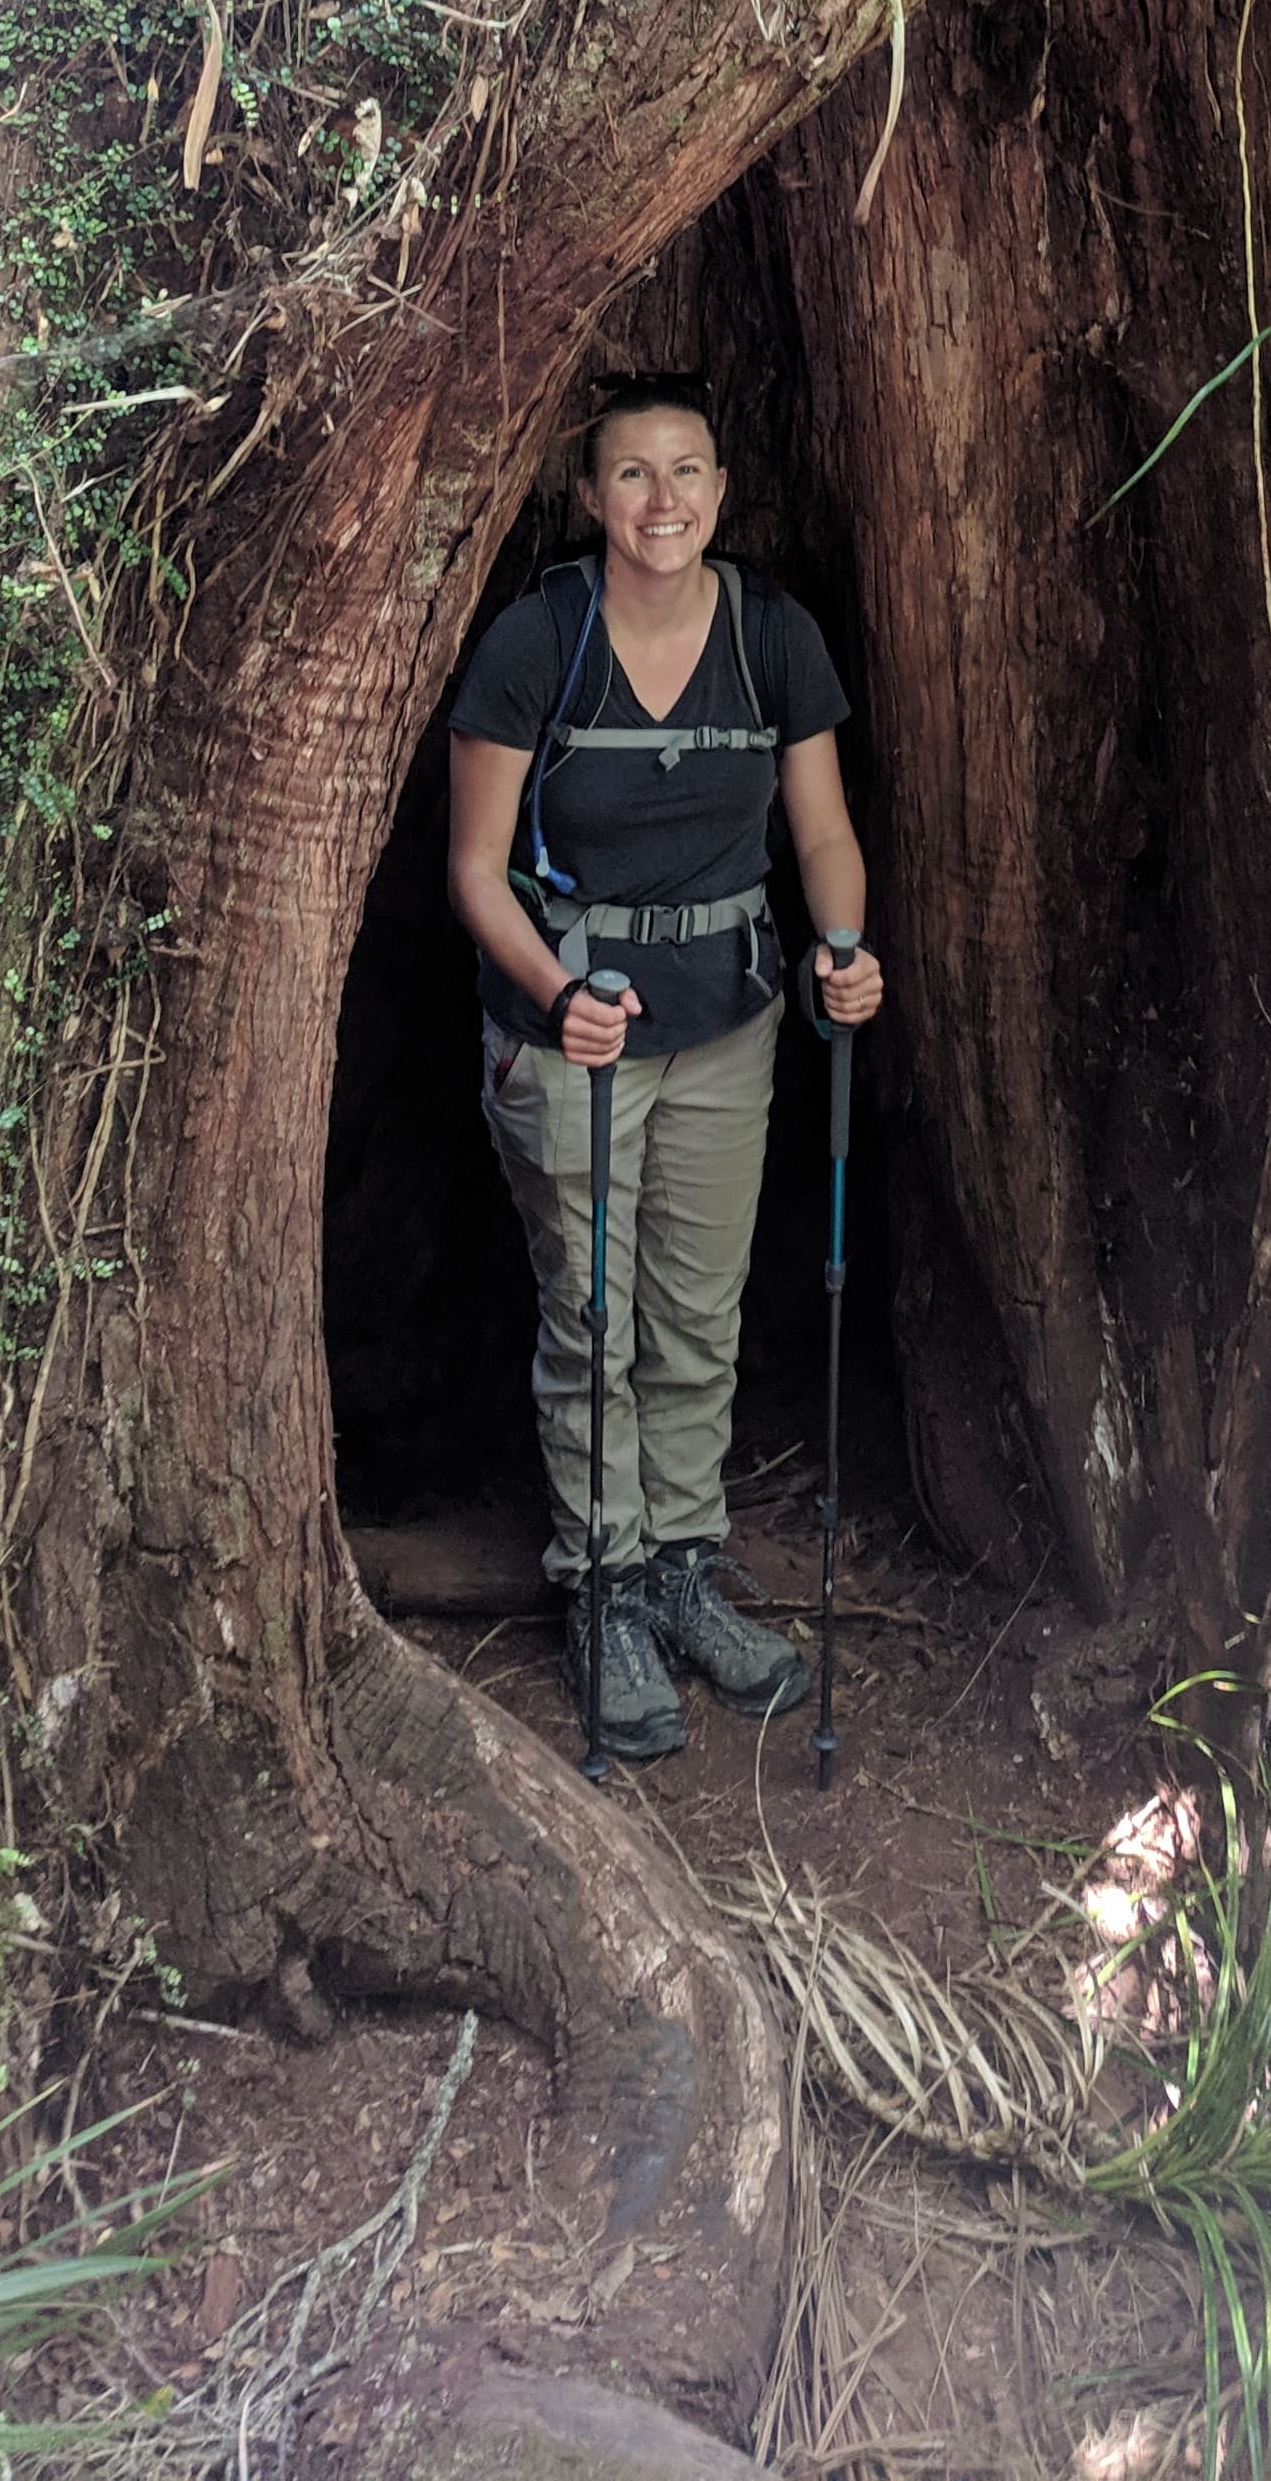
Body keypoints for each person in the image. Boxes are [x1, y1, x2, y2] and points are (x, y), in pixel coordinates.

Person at [447, 372, 883, 1762]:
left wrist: (843, 948)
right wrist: (557, 992)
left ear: (722, 488)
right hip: (571, 1030)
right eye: (631, 474)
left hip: (729, 1021)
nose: (662, 502)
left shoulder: (772, 638)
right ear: (587, 494)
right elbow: (471, 868)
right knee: (593, 1317)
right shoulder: (539, 642)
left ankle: (685, 1569)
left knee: (698, 1315)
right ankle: (605, 1588)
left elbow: (820, 832)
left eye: (686, 471)